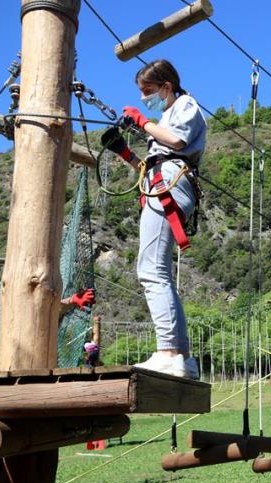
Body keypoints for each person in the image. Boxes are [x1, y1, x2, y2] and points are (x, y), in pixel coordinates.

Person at [102, 59, 205, 379]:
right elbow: (150, 165)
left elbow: (176, 144)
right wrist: (124, 152)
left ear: (166, 87)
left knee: (150, 270)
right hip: (161, 184)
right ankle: (182, 356)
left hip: (170, 186)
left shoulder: (186, 104)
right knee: (156, 271)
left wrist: (141, 121)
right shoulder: (165, 118)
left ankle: (168, 352)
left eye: (149, 92)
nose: (147, 98)